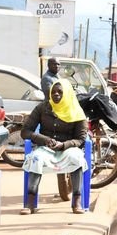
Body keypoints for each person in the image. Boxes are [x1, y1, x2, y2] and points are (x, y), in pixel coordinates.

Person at [20, 79, 89, 214]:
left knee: (76, 159)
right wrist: (44, 139)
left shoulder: (77, 111)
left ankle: (76, 201)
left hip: (68, 149)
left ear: (67, 94)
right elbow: (25, 131)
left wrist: (64, 145)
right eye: (53, 92)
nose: (56, 94)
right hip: (46, 149)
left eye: (60, 92)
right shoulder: (42, 108)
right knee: (36, 158)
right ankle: (30, 203)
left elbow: (80, 139)